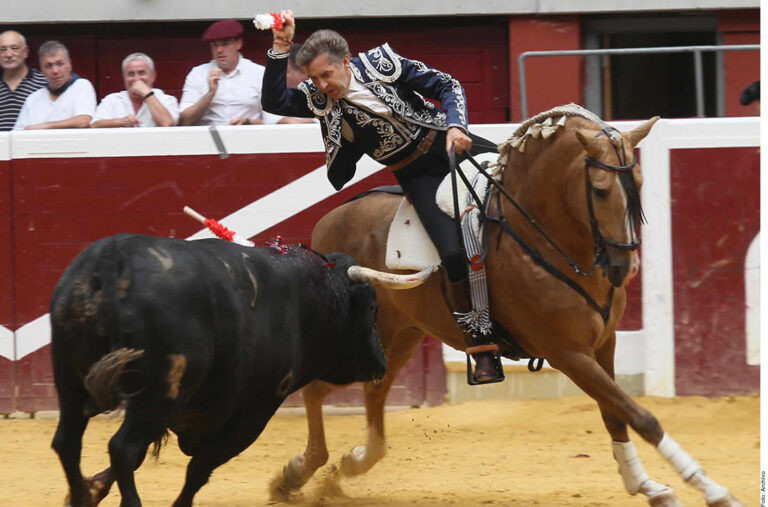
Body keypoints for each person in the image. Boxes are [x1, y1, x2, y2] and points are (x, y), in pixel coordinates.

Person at [261, 11, 502, 384]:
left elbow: (447, 85)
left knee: (518, 197)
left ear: (345, 61)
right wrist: (280, 46)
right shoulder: (320, 100)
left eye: (327, 74)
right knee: (452, 254)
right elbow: (274, 99)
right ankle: (481, 346)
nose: (322, 85)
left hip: (450, 144)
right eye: (314, 79)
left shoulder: (381, 63)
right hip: (416, 173)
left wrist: (456, 125)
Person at [178, 19, 279, 126]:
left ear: (238, 44)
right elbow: (185, 121)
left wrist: (249, 122)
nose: (219, 50)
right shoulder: (197, 74)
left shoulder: (259, 74)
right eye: (215, 45)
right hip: (208, 139)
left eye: (225, 44)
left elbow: (274, 120)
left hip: (249, 137)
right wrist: (210, 94)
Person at [13, 40, 96, 130]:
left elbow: (84, 121)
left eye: (60, 64)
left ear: (69, 65)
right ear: (42, 70)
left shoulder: (81, 86)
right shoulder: (33, 99)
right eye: (49, 66)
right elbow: (18, 133)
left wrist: (43, 126)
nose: (55, 71)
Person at [91, 53, 179, 128]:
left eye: (141, 73)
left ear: (153, 76)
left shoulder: (167, 100)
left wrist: (147, 94)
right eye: (131, 74)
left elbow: (167, 123)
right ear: (124, 78)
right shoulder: (112, 100)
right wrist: (120, 122)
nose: (136, 79)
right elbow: (94, 125)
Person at [0, 30, 47, 131]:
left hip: (31, 144)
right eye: (3, 49)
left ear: (25, 52)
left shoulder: (44, 82)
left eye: (14, 48)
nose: (8, 54)